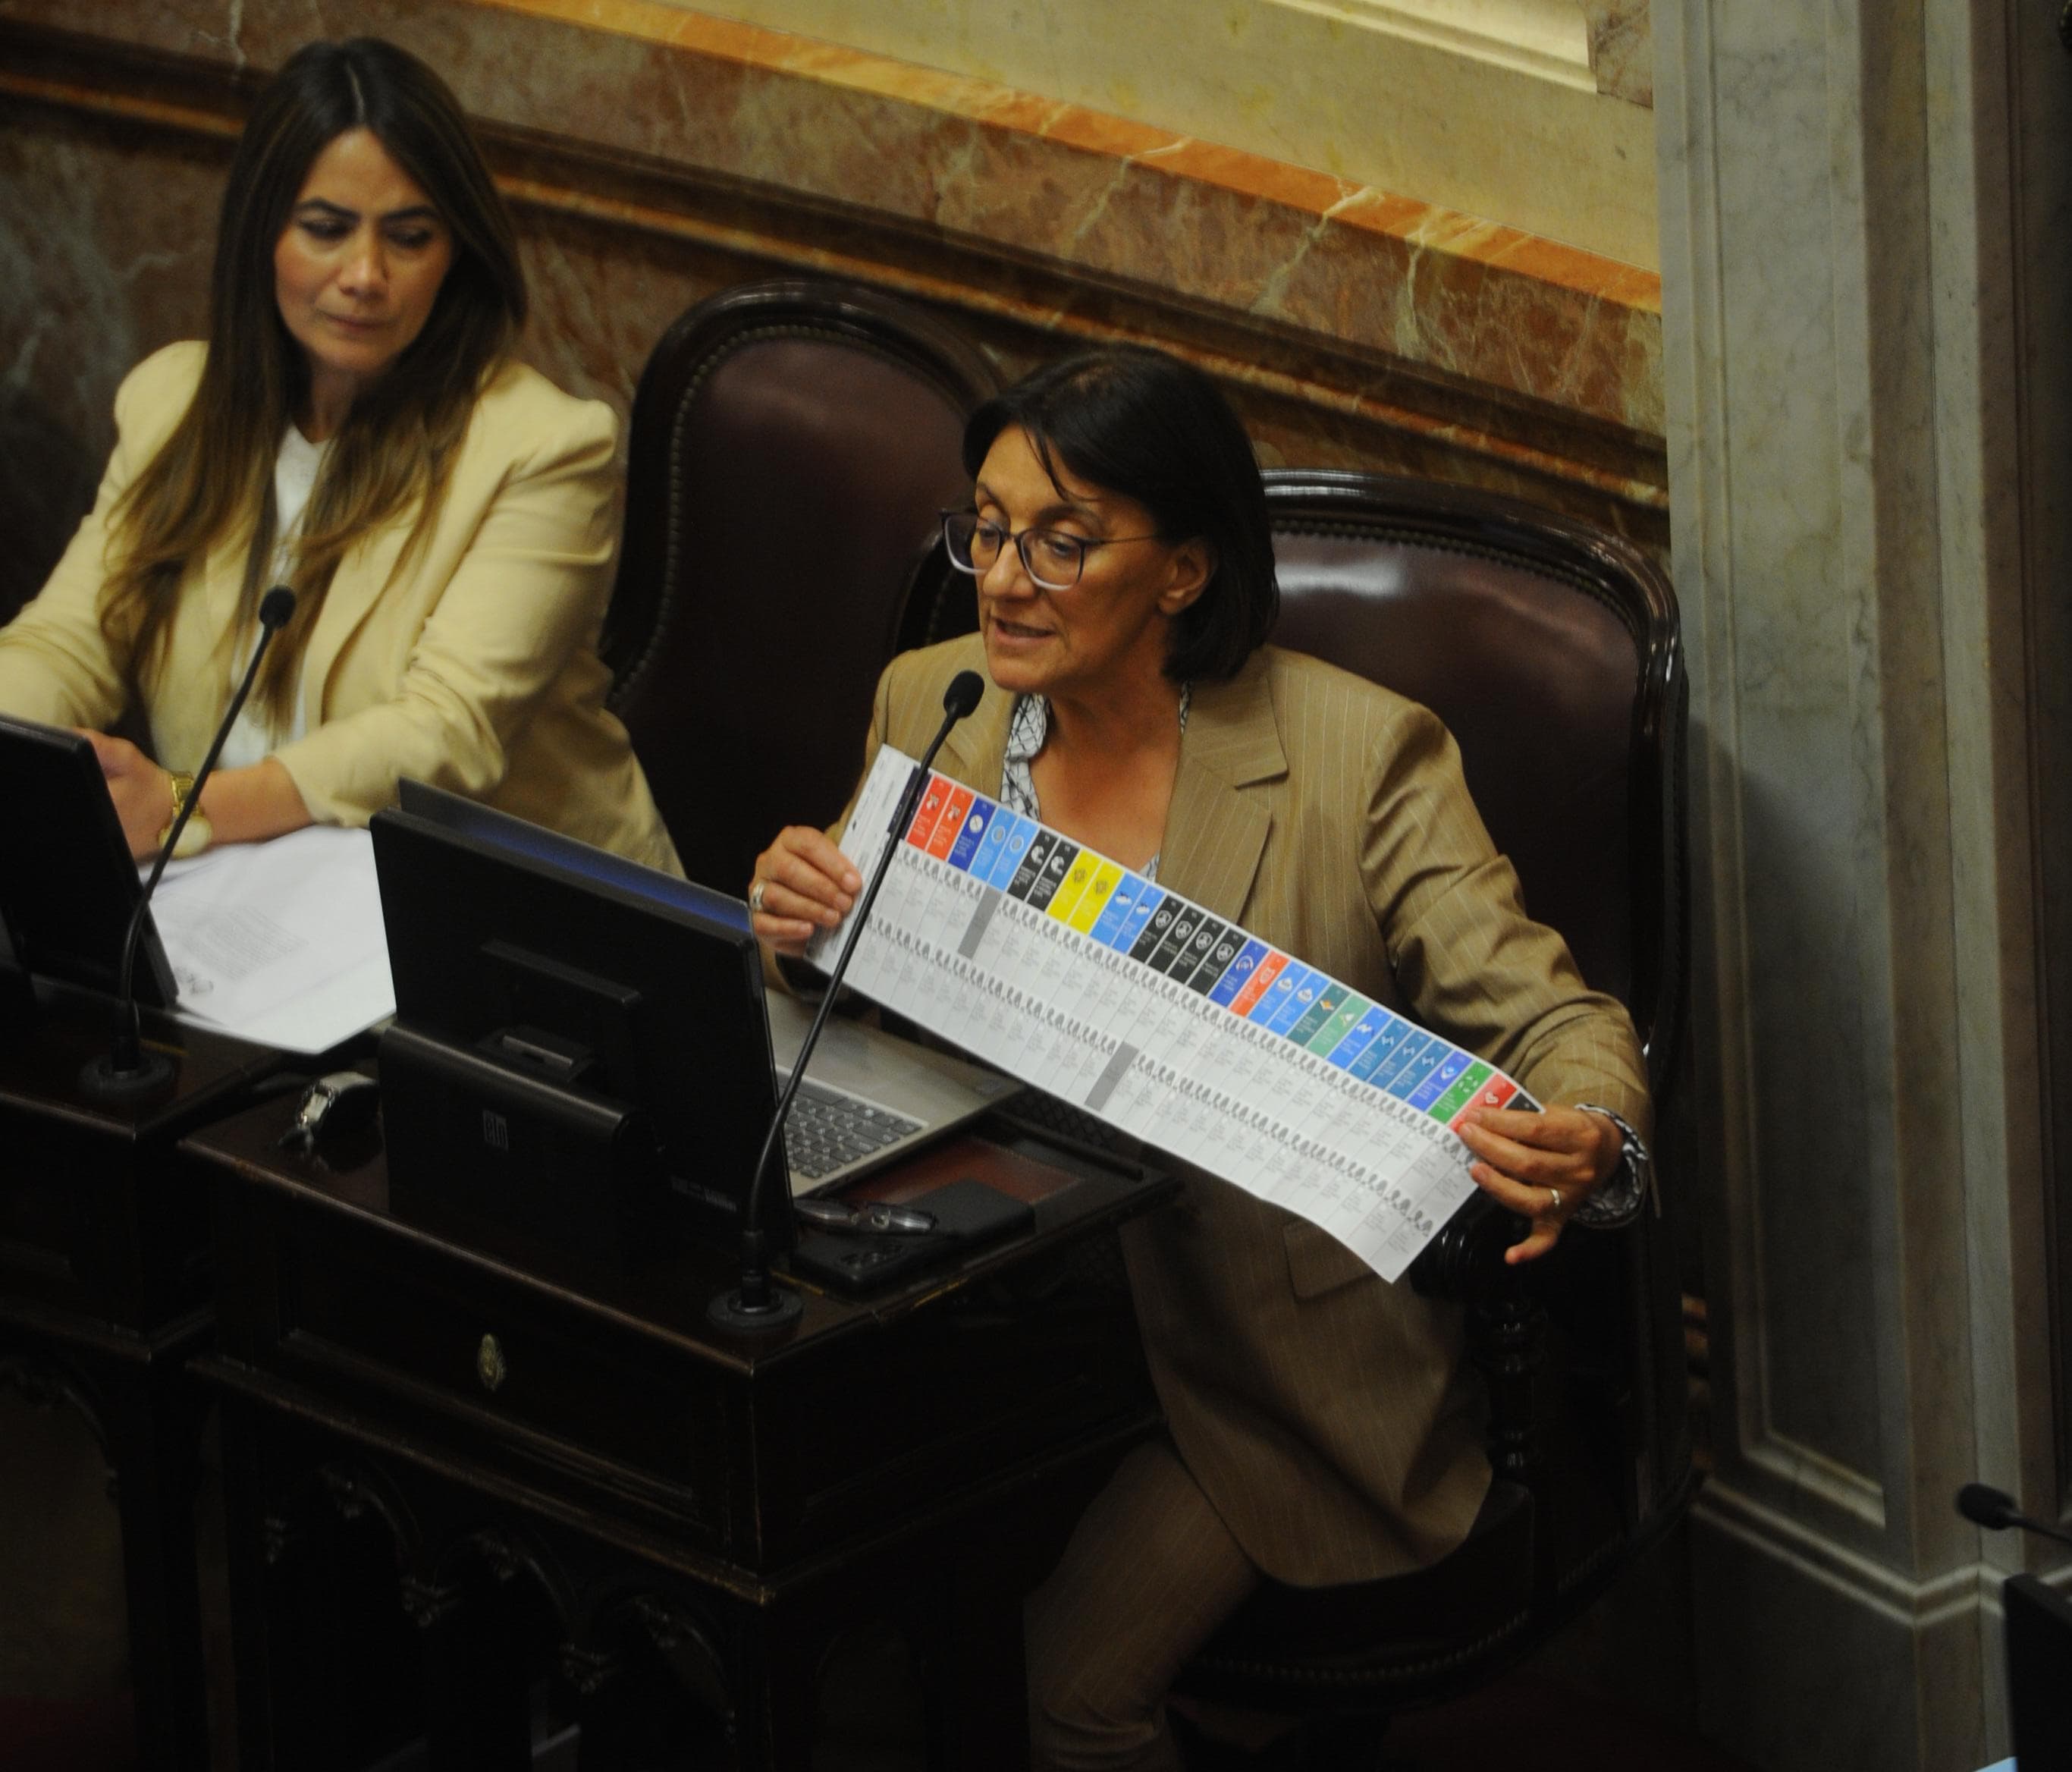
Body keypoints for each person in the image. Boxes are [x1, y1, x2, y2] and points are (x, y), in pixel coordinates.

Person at [751, 345, 1653, 1770]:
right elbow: (861, 1014)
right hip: (990, 1300)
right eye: (984, 529)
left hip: (1256, 1351)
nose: (999, 578)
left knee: (1064, 1692)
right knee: (833, 1629)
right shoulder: (935, 704)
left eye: (1060, 541)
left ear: (1180, 571)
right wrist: (795, 928)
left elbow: (1556, 1024)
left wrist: (1591, 1129)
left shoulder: (1357, 757)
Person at [0, 37, 679, 874]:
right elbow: (67, 642)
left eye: (408, 236)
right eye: (326, 229)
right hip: (247, 890)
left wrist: (184, 805)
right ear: (263, 233)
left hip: (507, 922)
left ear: (455, 251)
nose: (365, 274)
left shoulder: (540, 448)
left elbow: (443, 730)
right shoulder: (173, 402)